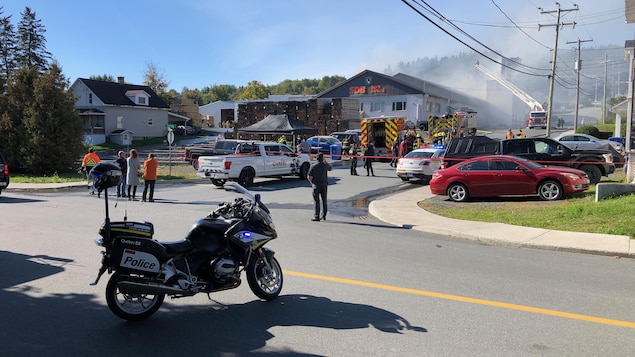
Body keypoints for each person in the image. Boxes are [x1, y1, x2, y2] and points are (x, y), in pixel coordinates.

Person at [307, 153, 332, 221]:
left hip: (316, 185)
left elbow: (309, 176)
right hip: (324, 185)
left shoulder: (313, 166)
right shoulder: (324, 165)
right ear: (322, 158)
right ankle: (324, 215)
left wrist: (311, 183)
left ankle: (316, 216)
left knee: (316, 201)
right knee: (324, 200)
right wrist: (326, 162)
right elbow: (331, 169)